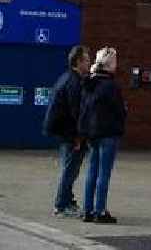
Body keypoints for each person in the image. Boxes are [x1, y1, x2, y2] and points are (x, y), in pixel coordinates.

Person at [78, 47, 126, 224]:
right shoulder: (111, 86)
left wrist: (82, 132)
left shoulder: (89, 84)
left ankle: (87, 210)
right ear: (110, 64)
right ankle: (100, 211)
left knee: (92, 171)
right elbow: (119, 111)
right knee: (104, 173)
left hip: (92, 134)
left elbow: (83, 110)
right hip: (108, 133)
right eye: (115, 61)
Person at [43, 45, 91, 217]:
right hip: (69, 133)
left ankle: (68, 200)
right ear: (78, 62)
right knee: (70, 169)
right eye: (86, 59)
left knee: (69, 168)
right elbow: (75, 111)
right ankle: (61, 205)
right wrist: (78, 136)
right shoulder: (74, 82)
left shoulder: (67, 77)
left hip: (64, 131)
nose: (89, 62)